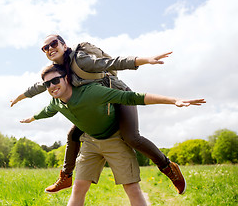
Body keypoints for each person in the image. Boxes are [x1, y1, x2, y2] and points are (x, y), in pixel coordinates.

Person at [11, 34, 185, 194]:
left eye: (53, 44)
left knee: (132, 138)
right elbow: (41, 85)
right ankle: (65, 176)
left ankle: (168, 166)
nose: (49, 49)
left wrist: (145, 60)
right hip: (98, 102)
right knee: (73, 134)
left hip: (117, 94)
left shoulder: (81, 61)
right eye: (45, 48)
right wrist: (20, 97)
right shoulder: (58, 70)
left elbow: (112, 63)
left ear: (64, 45)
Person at [20, 64, 205, 206]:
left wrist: (174, 100)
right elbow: (47, 110)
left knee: (132, 188)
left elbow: (132, 97)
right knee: (78, 189)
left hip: (116, 138)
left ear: (66, 78)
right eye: (47, 84)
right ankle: (64, 176)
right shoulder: (56, 103)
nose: (52, 86)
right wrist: (32, 118)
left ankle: (168, 167)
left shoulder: (91, 92)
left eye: (55, 80)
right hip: (90, 142)